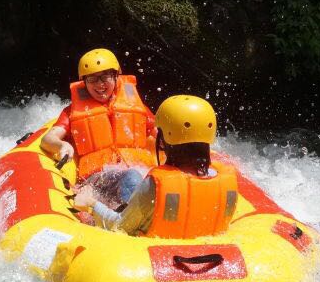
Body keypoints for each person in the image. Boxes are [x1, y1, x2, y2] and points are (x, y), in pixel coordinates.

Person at [73, 95, 239, 238]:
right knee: (131, 181)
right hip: (210, 258)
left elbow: (120, 227)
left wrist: (91, 203)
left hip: (152, 257)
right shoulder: (225, 181)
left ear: (163, 139)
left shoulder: (156, 185)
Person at [40, 48, 157, 203]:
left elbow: (161, 134)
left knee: (148, 180)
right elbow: (48, 139)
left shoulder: (137, 107)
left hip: (137, 172)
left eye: (105, 77)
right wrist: (60, 146)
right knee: (132, 177)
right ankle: (132, 221)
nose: (100, 84)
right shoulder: (71, 113)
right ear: (84, 82)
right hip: (98, 179)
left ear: (116, 76)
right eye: (92, 79)